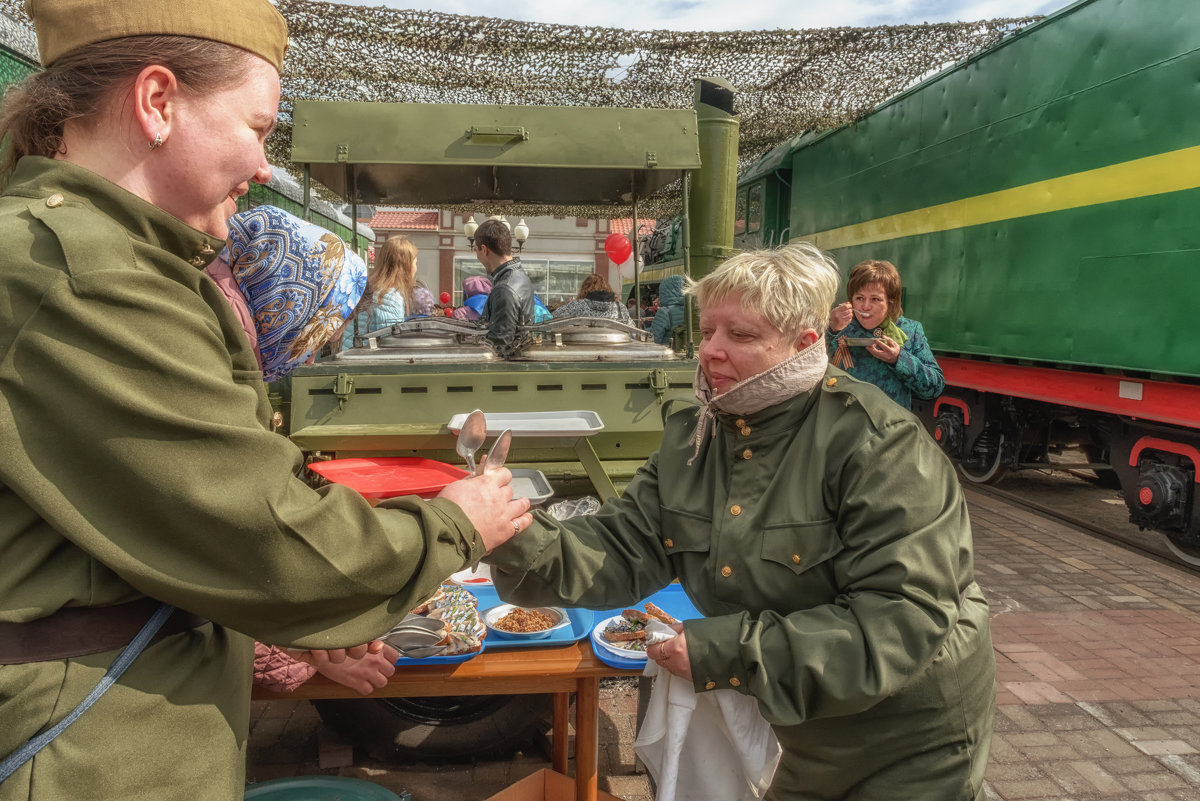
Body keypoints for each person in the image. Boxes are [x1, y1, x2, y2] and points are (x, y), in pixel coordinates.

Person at [0, 3, 530, 798]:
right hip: (92, 748)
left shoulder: (90, 256)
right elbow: (260, 528)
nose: (261, 168)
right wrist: (458, 522)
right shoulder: (86, 275)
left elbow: (162, 525)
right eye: (257, 126)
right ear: (157, 102)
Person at [487, 243, 996, 801]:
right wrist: (509, 533)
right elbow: (621, 544)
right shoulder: (699, 436)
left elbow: (901, 622)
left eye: (741, 336)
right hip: (799, 725)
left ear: (804, 344)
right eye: (706, 333)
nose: (710, 353)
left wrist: (722, 650)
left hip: (906, 737)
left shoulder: (879, 445)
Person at [208, 204, 398, 695]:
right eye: (317, 331)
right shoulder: (217, 385)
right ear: (287, 304)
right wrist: (313, 646)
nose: (312, 353)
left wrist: (310, 644)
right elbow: (221, 554)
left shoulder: (225, 361)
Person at [826, 258, 944, 410]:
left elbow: (935, 388)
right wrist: (830, 330)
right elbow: (813, 371)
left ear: (891, 302)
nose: (866, 306)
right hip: (844, 428)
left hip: (891, 429)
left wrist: (899, 359)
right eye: (860, 298)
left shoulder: (910, 330)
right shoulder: (840, 326)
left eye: (875, 299)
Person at [341, 234, 418, 350]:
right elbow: (390, 343)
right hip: (364, 362)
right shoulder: (389, 297)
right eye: (415, 262)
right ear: (405, 266)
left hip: (351, 355)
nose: (416, 267)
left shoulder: (371, 288)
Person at [473, 218, 534, 356]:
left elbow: (499, 347)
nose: (477, 257)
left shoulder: (504, 289)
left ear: (484, 249)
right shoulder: (520, 276)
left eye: (476, 250)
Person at [552, 273, 632, 323]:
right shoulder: (620, 308)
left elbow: (553, 317)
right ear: (607, 287)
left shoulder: (577, 306)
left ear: (584, 289)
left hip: (583, 347)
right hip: (615, 348)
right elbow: (633, 331)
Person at [651, 274, 686, 345]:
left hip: (667, 352)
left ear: (664, 291)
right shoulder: (689, 310)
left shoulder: (664, 312)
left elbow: (654, 338)